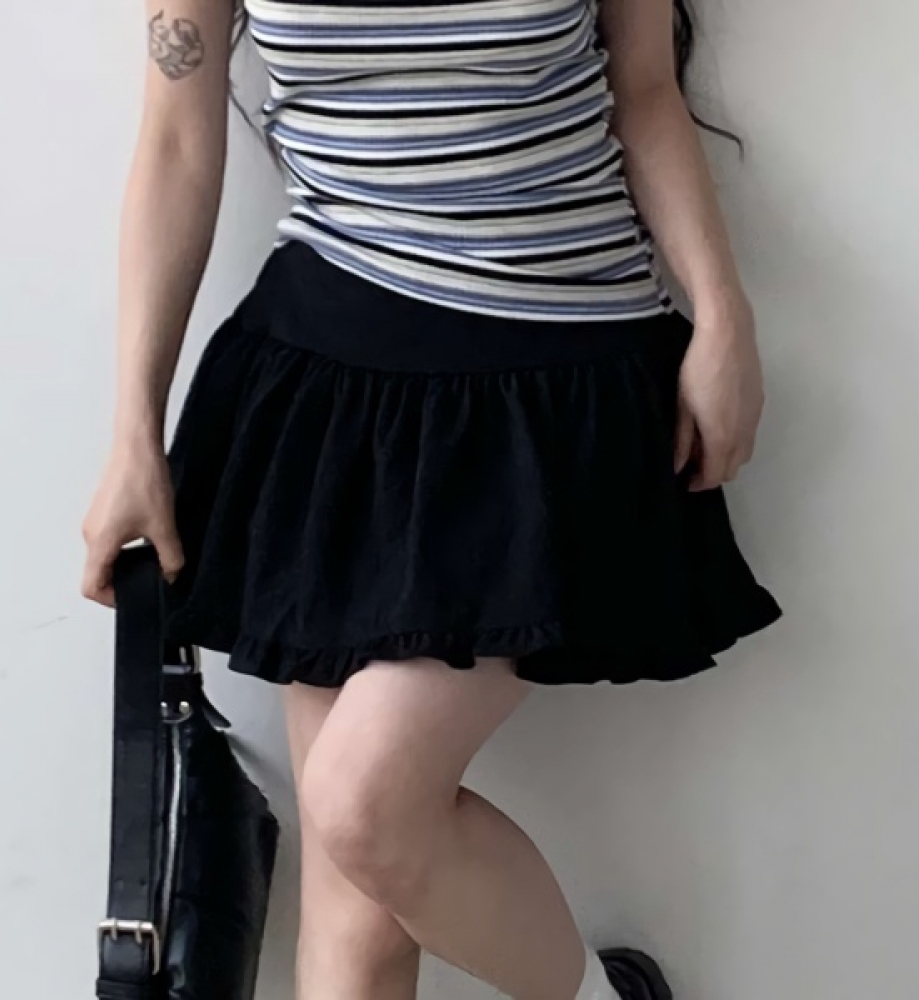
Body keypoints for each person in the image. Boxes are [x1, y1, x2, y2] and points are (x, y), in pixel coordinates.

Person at [82, 0, 781, 996]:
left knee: (365, 807)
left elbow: (644, 89)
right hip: (326, 398)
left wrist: (722, 313)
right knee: (354, 909)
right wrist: (132, 434)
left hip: (550, 393)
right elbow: (175, 143)